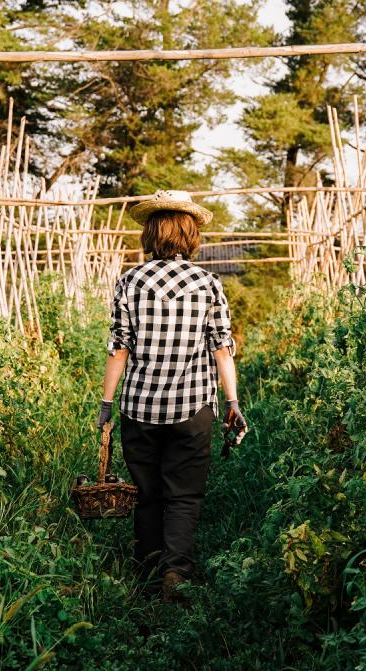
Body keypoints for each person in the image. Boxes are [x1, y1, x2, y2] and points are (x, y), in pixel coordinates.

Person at [97, 189, 248, 601]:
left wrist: (107, 405)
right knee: (183, 495)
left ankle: (146, 572)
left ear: (150, 233)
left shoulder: (130, 281)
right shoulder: (208, 283)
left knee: (147, 493)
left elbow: (119, 347)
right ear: (190, 235)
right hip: (193, 407)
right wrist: (232, 403)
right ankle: (176, 574)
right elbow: (222, 348)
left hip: (140, 406)